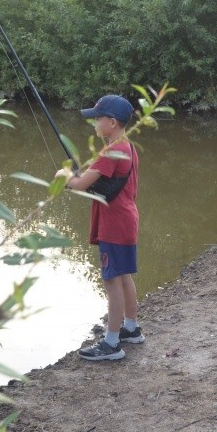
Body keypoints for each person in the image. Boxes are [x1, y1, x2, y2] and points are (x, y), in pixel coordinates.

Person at [56, 94, 145, 361]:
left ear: (113, 122)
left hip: (114, 224)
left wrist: (64, 176)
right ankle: (131, 328)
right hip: (127, 219)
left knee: (111, 280)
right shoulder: (127, 146)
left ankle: (111, 343)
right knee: (124, 274)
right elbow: (99, 177)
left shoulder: (111, 150)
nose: (94, 123)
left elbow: (80, 185)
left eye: (98, 118)